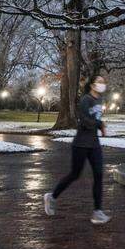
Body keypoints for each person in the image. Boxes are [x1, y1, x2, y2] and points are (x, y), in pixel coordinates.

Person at [43, 74, 110, 225]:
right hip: (81, 144)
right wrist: (99, 125)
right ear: (92, 85)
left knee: (99, 175)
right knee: (74, 174)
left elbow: (95, 119)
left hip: (94, 144)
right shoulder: (86, 99)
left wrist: (101, 125)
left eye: (103, 82)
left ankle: (97, 212)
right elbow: (85, 120)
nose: (102, 84)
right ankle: (52, 197)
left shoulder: (99, 100)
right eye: (99, 82)